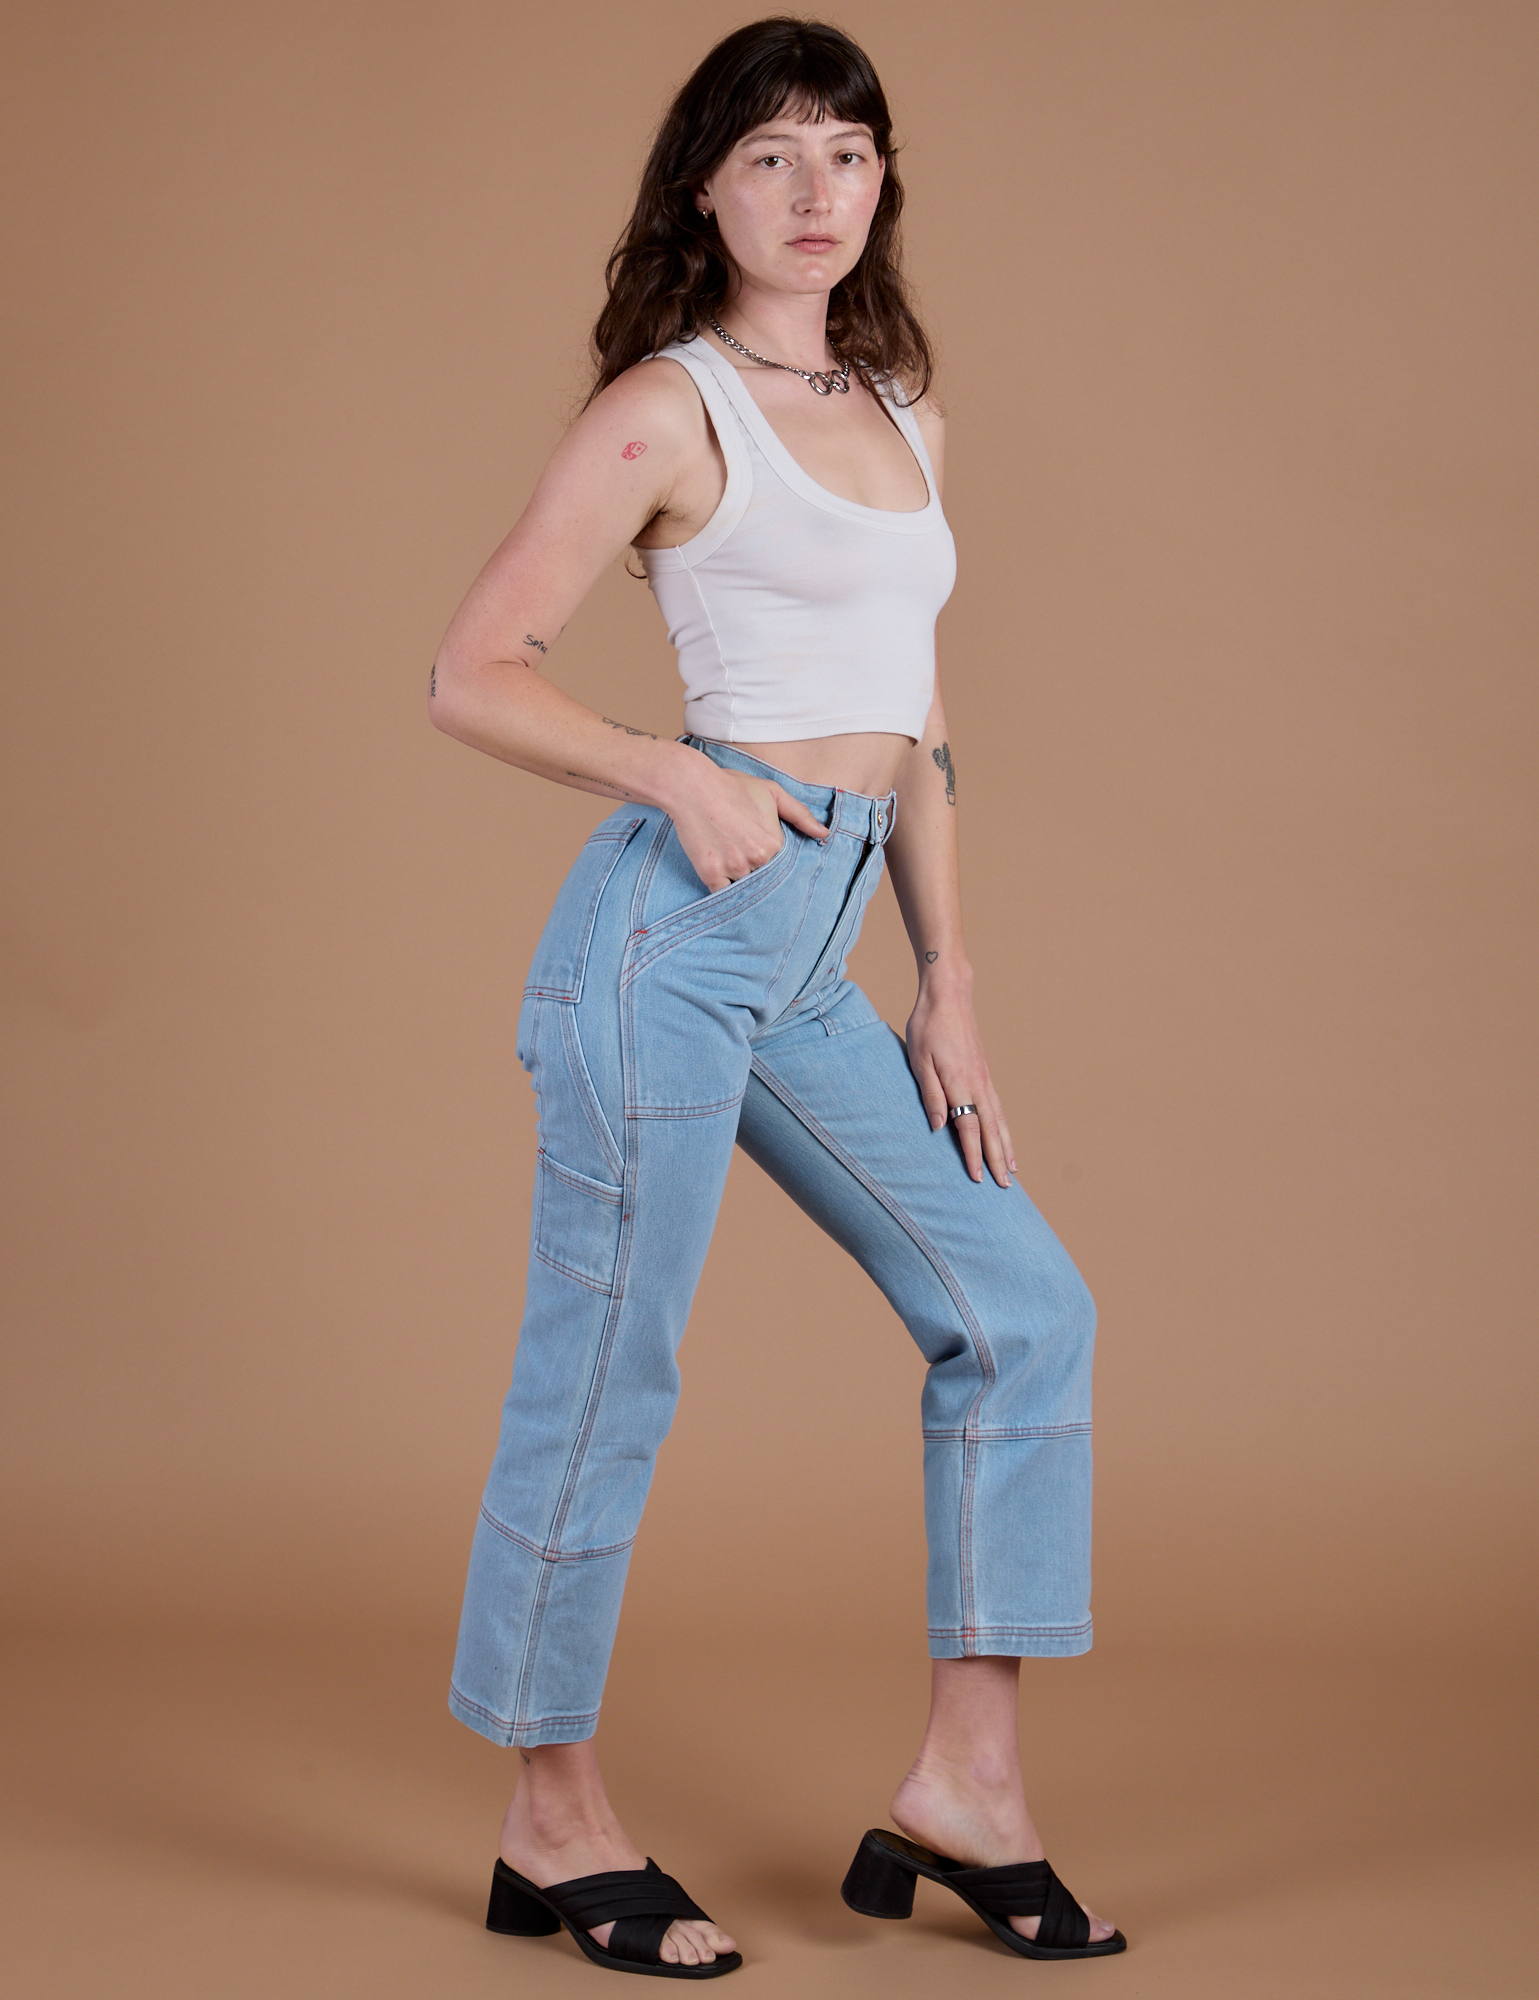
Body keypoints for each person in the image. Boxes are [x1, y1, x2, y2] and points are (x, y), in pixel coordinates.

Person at [429, 16, 1124, 1978]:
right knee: (609, 1366)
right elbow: (471, 668)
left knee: (1020, 1308)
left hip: (822, 948)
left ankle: (966, 1792)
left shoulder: (906, 411)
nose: (815, 192)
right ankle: (550, 1821)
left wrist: (952, 985)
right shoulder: (667, 409)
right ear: (703, 191)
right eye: (769, 158)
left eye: (847, 151)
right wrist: (669, 766)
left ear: (881, 182)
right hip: (667, 937)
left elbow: (915, 728)